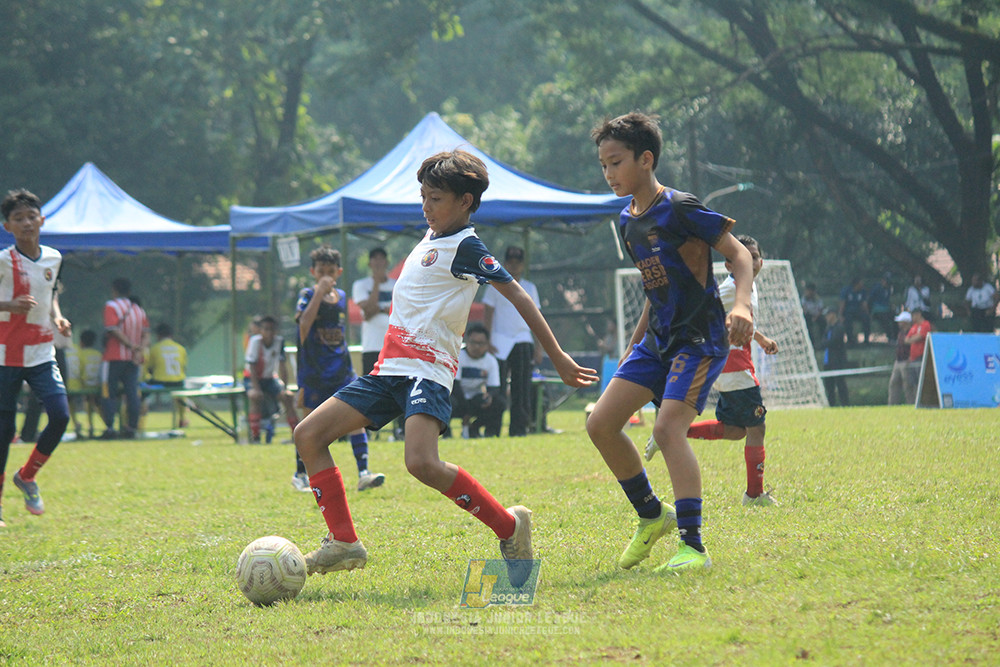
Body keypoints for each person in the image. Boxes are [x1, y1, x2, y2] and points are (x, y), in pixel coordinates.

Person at [292, 150, 597, 584]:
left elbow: (518, 296)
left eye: (435, 198)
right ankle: (343, 541)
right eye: (423, 196)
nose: (426, 206)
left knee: (421, 463)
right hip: (388, 372)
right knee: (308, 435)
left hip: (427, 372)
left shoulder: (467, 247)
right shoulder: (430, 237)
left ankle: (510, 527)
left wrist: (558, 356)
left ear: (465, 202)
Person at [587, 112, 754, 573]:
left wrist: (742, 305)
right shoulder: (626, 220)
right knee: (601, 424)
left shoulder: (680, 207)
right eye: (603, 165)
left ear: (646, 159)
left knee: (666, 430)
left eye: (616, 162)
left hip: (698, 340)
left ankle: (693, 547)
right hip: (656, 342)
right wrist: (633, 346)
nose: (608, 173)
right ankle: (651, 515)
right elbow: (654, 288)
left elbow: (739, 254)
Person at [652, 235, 778, 507]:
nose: (751, 262)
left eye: (755, 257)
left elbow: (741, 320)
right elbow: (705, 312)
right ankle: (754, 495)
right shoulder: (730, 288)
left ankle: (672, 432)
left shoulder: (747, 286)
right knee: (757, 427)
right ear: (730, 265)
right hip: (734, 367)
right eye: (745, 257)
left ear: (762, 261)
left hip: (733, 367)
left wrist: (760, 339)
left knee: (736, 430)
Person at [0, 189, 73, 526]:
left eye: (31, 216)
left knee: (60, 416)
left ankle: (27, 476)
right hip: (6, 355)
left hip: (42, 351)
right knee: (4, 431)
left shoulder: (54, 258)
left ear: (42, 220)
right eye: (18, 218)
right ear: (7, 226)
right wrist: (9, 306)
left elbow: (50, 292)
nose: (26, 223)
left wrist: (58, 316)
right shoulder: (4, 261)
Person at [295, 247, 384, 493]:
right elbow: (303, 325)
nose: (326, 275)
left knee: (355, 417)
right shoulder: (307, 295)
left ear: (339, 272)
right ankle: (300, 474)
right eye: (321, 271)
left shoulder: (343, 297)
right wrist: (319, 293)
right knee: (308, 425)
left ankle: (364, 473)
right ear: (313, 272)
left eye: (331, 271)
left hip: (341, 370)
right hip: (314, 370)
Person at [482, 245, 542, 436]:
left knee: (522, 387)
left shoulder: (530, 287)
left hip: (522, 339)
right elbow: (488, 314)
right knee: (497, 387)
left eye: (518, 263)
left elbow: (536, 317)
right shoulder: (495, 284)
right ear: (505, 263)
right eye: (510, 262)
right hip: (499, 342)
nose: (514, 266)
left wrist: (539, 346)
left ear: (523, 265)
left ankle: (519, 428)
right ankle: (493, 428)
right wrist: (487, 340)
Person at [351, 246, 399, 438]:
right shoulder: (361, 285)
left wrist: (380, 308)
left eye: (382, 259)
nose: (379, 263)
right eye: (375, 259)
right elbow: (369, 311)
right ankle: (368, 431)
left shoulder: (397, 284)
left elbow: (401, 311)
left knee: (397, 387)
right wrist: (377, 284)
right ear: (370, 263)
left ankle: (399, 429)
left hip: (395, 346)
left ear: (387, 262)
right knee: (370, 390)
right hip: (372, 346)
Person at [100, 277, 149, 439]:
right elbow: (146, 334)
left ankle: (110, 427)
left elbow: (113, 329)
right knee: (132, 393)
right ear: (129, 291)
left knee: (108, 392)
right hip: (133, 360)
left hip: (113, 357)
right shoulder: (138, 309)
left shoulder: (111, 306)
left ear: (114, 290)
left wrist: (129, 345)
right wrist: (139, 350)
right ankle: (131, 427)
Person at [244, 315, 300, 446]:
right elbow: (252, 367)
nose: (269, 333)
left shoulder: (279, 342)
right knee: (255, 397)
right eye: (266, 329)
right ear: (260, 330)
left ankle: (296, 435)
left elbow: (282, 366)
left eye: (271, 329)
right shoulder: (255, 342)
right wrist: (256, 388)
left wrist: (284, 387)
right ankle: (255, 436)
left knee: (287, 398)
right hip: (253, 379)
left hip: (270, 379)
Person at [450, 322, 505, 438]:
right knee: (447, 401)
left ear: (487, 344)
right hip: (458, 398)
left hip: (476, 399)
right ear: (466, 341)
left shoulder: (491, 361)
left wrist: (489, 396)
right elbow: (455, 385)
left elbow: (494, 387)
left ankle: (486, 432)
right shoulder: (458, 356)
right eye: (473, 342)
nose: (476, 347)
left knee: (499, 403)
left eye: (480, 343)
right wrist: (465, 410)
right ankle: (445, 433)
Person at [145, 323, 188, 427]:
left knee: (140, 393)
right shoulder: (181, 348)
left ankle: (138, 416)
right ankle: (183, 419)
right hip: (178, 382)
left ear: (158, 335)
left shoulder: (155, 348)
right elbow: (183, 368)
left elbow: (149, 368)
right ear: (171, 335)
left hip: (160, 382)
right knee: (181, 397)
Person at [69, 329, 102, 439]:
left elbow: (80, 370)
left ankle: (77, 424)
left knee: (71, 401)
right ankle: (98, 425)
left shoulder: (80, 353)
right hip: (96, 385)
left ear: (81, 341)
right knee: (93, 403)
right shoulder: (98, 354)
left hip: (83, 385)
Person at [819, 309, 849, 406]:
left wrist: (826, 342)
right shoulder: (828, 328)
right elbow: (823, 341)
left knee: (840, 384)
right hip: (828, 361)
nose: (826, 317)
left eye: (828, 314)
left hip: (837, 361)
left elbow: (834, 341)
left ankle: (845, 404)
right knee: (829, 386)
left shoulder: (839, 327)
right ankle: (831, 404)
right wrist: (825, 343)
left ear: (833, 314)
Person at [904, 309, 933, 404]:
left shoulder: (925, 324)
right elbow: (906, 340)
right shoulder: (914, 327)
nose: (912, 318)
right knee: (914, 381)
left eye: (913, 315)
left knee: (921, 380)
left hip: (921, 357)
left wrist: (913, 338)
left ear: (919, 314)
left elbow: (920, 337)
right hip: (913, 358)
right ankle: (915, 401)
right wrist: (913, 338)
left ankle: (924, 401)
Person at [887, 311, 912, 405]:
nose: (899, 323)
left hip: (907, 361)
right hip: (898, 361)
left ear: (905, 322)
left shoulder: (911, 332)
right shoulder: (901, 333)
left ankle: (911, 403)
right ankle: (892, 404)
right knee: (893, 383)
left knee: (908, 385)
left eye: (901, 321)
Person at [839, 277, 870, 345]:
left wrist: (867, 313)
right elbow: (842, 303)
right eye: (860, 283)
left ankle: (866, 340)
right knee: (847, 321)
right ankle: (850, 340)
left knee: (866, 318)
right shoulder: (846, 290)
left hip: (858, 311)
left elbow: (864, 304)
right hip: (848, 311)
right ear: (856, 284)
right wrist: (840, 315)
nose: (862, 285)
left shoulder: (863, 291)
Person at [868, 273, 895, 341]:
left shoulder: (888, 289)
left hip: (886, 310)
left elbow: (887, 301)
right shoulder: (876, 288)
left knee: (895, 317)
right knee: (885, 319)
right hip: (877, 311)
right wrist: (870, 312)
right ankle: (890, 337)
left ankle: (895, 337)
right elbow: (870, 300)